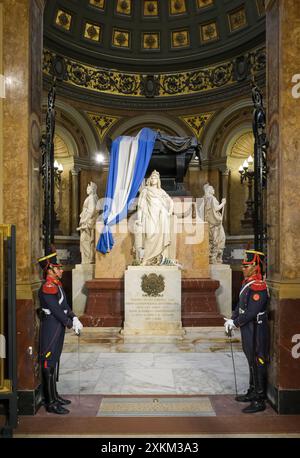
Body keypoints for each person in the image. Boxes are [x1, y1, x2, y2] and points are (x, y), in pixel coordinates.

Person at [37, 251, 83, 414]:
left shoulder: (57, 285)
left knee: (54, 360)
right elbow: (56, 310)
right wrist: (70, 324)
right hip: (51, 326)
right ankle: (50, 403)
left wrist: (74, 317)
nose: (62, 270)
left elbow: (65, 307)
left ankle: (55, 396)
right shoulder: (48, 287)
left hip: (58, 326)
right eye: (58, 268)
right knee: (48, 363)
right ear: (49, 269)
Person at [224, 250, 269, 413]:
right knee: (251, 359)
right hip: (248, 328)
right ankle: (252, 391)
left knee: (258, 361)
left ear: (256, 267)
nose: (243, 268)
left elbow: (251, 312)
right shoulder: (247, 283)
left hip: (257, 329)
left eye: (246, 266)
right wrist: (232, 318)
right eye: (243, 266)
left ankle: (259, 398)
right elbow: (240, 305)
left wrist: (235, 323)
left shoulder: (258, 286)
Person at [134, 170, 174, 265]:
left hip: (160, 218)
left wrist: (169, 211)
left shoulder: (161, 191)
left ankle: (159, 259)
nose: (153, 179)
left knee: (159, 237)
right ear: (149, 179)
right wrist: (139, 219)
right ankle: (146, 259)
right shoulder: (146, 190)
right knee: (149, 235)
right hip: (149, 216)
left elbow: (170, 201)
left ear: (158, 180)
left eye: (155, 177)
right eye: (152, 177)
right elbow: (141, 206)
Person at [202, 183, 226, 264]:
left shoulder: (203, 199)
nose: (214, 190)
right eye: (212, 189)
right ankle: (214, 258)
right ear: (209, 190)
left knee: (210, 240)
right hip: (214, 223)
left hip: (207, 223)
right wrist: (223, 203)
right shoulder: (212, 198)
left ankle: (211, 257)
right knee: (220, 238)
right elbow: (216, 208)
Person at [77, 181, 99, 264]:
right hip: (88, 222)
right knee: (87, 241)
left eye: (88, 187)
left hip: (88, 223)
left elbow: (92, 210)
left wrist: (84, 220)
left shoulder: (92, 198)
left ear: (92, 189)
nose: (87, 189)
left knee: (85, 241)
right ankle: (89, 258)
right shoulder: (93, 197)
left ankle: (89, 258)